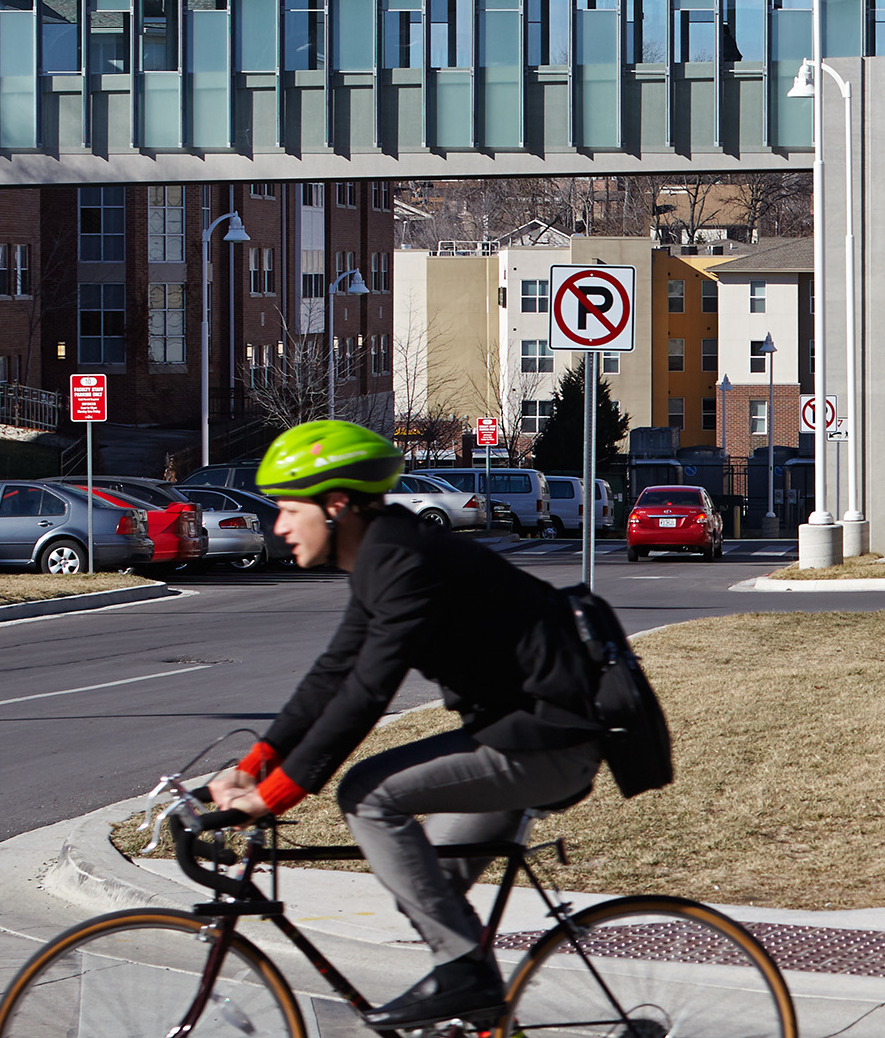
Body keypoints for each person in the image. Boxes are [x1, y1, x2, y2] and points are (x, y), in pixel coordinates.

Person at [206, 420, 601, 1033]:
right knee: (425, 884)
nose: (278, 526)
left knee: (366, 794)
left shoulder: (403, 559)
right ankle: (476, 1003)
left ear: (335, 505)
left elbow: (366, 693)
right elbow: (331, 674)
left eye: (287, 509)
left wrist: (276, 794)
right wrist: (251, 765)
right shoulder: (385, 555)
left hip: (549, 741)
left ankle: (468, 980)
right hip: (519, 733)